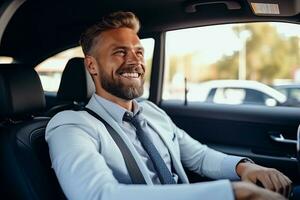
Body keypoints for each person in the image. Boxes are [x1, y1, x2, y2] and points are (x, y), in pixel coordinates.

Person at [45, 11, 293, 200]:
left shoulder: (152, 113)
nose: (134, 62)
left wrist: (244, 168)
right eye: (120, 52)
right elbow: (97, 195)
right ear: (91, 66)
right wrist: (232, 193)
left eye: (139, 52)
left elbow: (199, 156)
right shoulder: (71, 125)